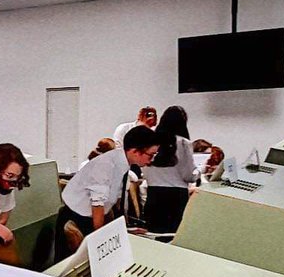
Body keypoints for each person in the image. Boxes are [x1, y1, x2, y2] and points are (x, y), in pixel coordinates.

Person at [56, 125, 160, 259]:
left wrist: (122, 231)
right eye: (151, 155)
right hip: (78, 218)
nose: (151, 160)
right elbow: (97, 205)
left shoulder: (121, 162)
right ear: (135, 151)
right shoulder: (106, 165)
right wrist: (102, 241)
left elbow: (109, 204)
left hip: (91, 217)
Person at [141, 106, 198, 233]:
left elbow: (144, 168)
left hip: (154, 195)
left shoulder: (149, 141)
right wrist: (197, 173)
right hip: (176, 197)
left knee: (155, 237)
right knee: (174, 237)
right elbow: (188, 175)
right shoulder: (183, 143)